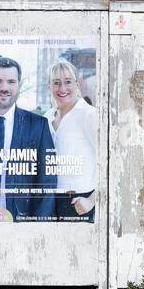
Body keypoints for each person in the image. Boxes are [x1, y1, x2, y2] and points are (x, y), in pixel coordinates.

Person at [0, 56, 57, 221]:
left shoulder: (38, 125)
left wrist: (37, 228)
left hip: (20, 224)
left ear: (18, 85)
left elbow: (47, 183)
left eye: (11, 82)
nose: (4, 87)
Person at [45, 58, 97, 221]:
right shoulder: (47, 117)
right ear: (49, 86)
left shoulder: (89, 114)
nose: (62, 88)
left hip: (79, 202)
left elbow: (112, 162)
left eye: (68, 82)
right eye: (56, 83)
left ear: (77, 84)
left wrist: (92, 200)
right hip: (50, 202)